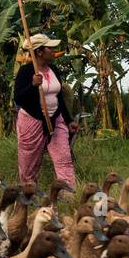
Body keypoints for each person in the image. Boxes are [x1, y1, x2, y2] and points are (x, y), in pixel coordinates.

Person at [14, 33, 77, 190]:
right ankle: (28, 193)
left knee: (64, 159)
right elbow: (19, 98)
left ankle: (68, 194)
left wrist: (69, 120)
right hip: (31, 121)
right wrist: (33, 85)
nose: (54, 51)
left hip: (56, 119)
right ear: (40, 52)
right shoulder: (26, 72)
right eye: (50, 48)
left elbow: (59, 97)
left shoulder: (53, 69)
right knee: (29, 166)